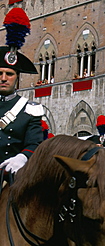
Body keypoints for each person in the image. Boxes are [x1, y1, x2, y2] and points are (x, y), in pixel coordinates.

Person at [0, 46, 44, 174]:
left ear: (17, 77)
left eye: (9, 74)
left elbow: (34, 143)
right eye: (0, 73)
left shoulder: (29, 109)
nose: (3, 78)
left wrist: (22, 157)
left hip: (9, 173)